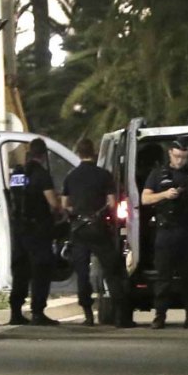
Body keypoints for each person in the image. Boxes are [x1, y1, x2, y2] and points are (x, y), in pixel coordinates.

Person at [61, 138, 135, 328]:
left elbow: (64, 205)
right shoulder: (104, 175)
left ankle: (88, 316)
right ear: (93, 153)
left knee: (82, 273)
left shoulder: (71, 176)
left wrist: (76, 213)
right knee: (113, 270)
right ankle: (121, 317)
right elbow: (111, 203)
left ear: (78, 153)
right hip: (98, 228)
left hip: (79, 229)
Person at [141, 140, 188, 329]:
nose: (180, 161)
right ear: (170, 153)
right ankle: (160, 316)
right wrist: (164, 195)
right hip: (166, 231)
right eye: (177, 156)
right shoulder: (158, 174)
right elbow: (145, 198)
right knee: (164, 277)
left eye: (184, 157)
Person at [8, 138, 61, 326]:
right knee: (40, 269)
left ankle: (15, 311)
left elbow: (14, 196)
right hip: (38, 229)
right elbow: (53, 203)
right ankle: (37, 312)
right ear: (43, 155)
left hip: (19, 229)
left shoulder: (17, 173)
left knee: (20, 269)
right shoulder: (42, 174)